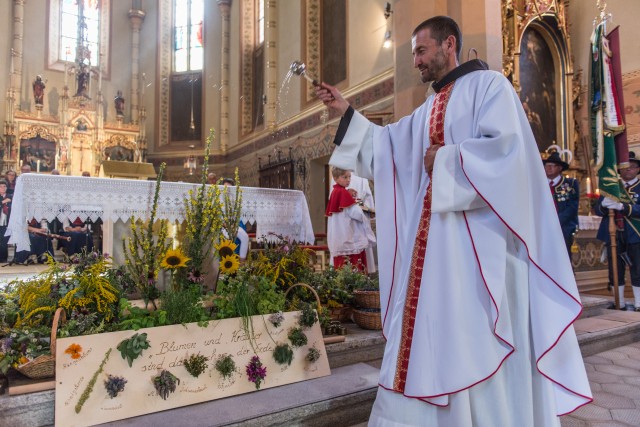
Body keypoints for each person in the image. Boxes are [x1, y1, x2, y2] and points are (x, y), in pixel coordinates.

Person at [315, 15, 591, 426]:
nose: (416, 62)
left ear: (449, 44)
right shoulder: (428, 106)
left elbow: (510, 156)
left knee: (474, 338)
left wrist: (447, 160)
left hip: (480, 254)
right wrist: (347, 112)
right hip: (433, 257)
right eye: (413, 54)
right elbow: (388, 148)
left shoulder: (491, 87)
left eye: (421, 51)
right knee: (431, 337)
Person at [595, 151, 640, 311]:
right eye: (625, 167)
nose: (628, 170)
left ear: (637, 169)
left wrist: (624, 207)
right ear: (619, 169)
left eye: (632, 167)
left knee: (638, 269)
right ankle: (619, 302)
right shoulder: (612, 187)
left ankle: (639, 303)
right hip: (614, 232)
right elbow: (597, 210)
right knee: (615, 269)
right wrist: (603, 206)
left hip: (635, 234)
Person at [326, 167, 376, 272]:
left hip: (340, 239)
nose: (348, 180)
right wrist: (361, 206)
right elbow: (357, 214)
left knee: (341, 273)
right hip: (350, 240)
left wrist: (348, 194)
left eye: (349, 177)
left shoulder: (336, 191)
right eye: (345, 177)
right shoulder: (343, 193)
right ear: (335, 178)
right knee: (355, 271)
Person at [544, 151, 579, 256]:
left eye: (552, 166)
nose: (548, 168)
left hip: (564, 228)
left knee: (564, 258)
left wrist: (556, 221)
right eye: (546, 166)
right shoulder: (539, 184)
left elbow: (572, 206)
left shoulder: (570, 184)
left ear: (559, 168)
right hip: (543, 228)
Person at [0, 180, 11, 263]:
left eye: (4, 186)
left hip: (6, 222)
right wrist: (2, 202)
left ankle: (3, 258)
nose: (3, 188)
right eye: (1, 186)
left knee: (4, 241)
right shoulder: (4, 199)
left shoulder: (10, 196)